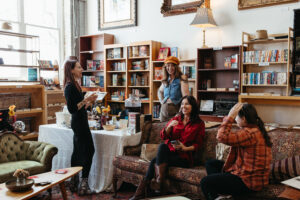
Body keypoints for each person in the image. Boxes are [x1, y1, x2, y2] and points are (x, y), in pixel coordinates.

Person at [130, 95, 205, 200]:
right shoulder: (176, 118)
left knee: (154, 161)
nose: (184, 106)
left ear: (193, 106)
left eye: (187, 104)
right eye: (182, 104)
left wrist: (184, 148)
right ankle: (159, 183)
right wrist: (169, 127)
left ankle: (141, 193)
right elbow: (163, 136)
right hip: (170, 152)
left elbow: (198, 144)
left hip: (185, 157)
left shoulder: (199, 124)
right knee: (162, 146)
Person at [200, 103, 272, 200]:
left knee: (205, 182)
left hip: (248, 181)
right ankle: (220, 195)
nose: (235, 119)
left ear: (244, 119)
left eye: (236, 116)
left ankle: (217, 195)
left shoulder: (249, 133)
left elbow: (221, 137)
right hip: (245, 173)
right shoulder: (255, 130)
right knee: (211, 163)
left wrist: (230, 116)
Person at [63, 60, 98, 195]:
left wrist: (90, 101)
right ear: (71, 70)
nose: (82, 69)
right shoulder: (70, 86)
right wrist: (86, 100)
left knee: (78, 151)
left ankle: (75, 182)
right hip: (78, 123)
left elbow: (80, 106)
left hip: (81, 122)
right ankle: (83, 184)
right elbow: (72, 109)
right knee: (89, 150)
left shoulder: (76, 85)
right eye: (79, 67)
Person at [158, 56, 189, 122]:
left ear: (176, 67)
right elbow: (160, 91)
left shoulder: (182, 78)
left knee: (174, 131)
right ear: (165, 67)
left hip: (175, 112)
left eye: (172, 66)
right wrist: (162, 101)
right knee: (163, 131)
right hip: (163, 112)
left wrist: (180, 113)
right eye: (168, 66)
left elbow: (186, 98)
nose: (170, 68)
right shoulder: (166, 79)